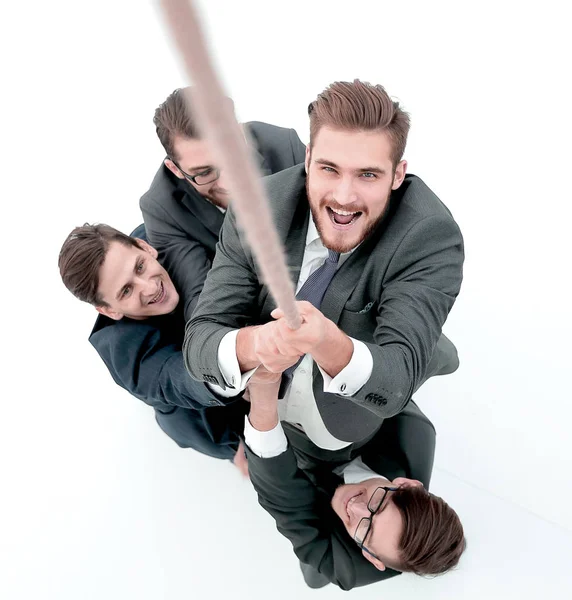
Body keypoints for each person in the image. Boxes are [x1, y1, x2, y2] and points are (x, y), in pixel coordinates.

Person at [184, 79, 464, 450]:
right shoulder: (257, 208)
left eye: (367, 174)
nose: (344, 197)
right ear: (308, 159)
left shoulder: (430, 236)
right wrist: (258, 343)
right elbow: (200, 341)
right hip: (264, 399)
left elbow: (397, 379)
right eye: (329, 169)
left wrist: (326, 341)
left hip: (345, 418)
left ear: (398, 174)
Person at [244, 368, 466, 590]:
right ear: (405, 484)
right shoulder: (412, 431)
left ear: (372, 559)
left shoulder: (344, 564)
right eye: (378, 505)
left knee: (221, 440)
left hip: (322, 533)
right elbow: (373, 377)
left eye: (367, 531)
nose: (356, 508)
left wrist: (262, 404)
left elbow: (283, 497)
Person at [58, 223, 248, 470]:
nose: (149, 287)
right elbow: (181, 380)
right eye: (126, 291)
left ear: (144, 246)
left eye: (140, 267)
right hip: (206, 418)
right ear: (109, 310)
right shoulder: (128, 357)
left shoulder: (165, 229)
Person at [140, 87, 306, 319]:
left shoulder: (285, 146)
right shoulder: (162, 209)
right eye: (205, 172)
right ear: (175, 170)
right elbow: (203, 297)